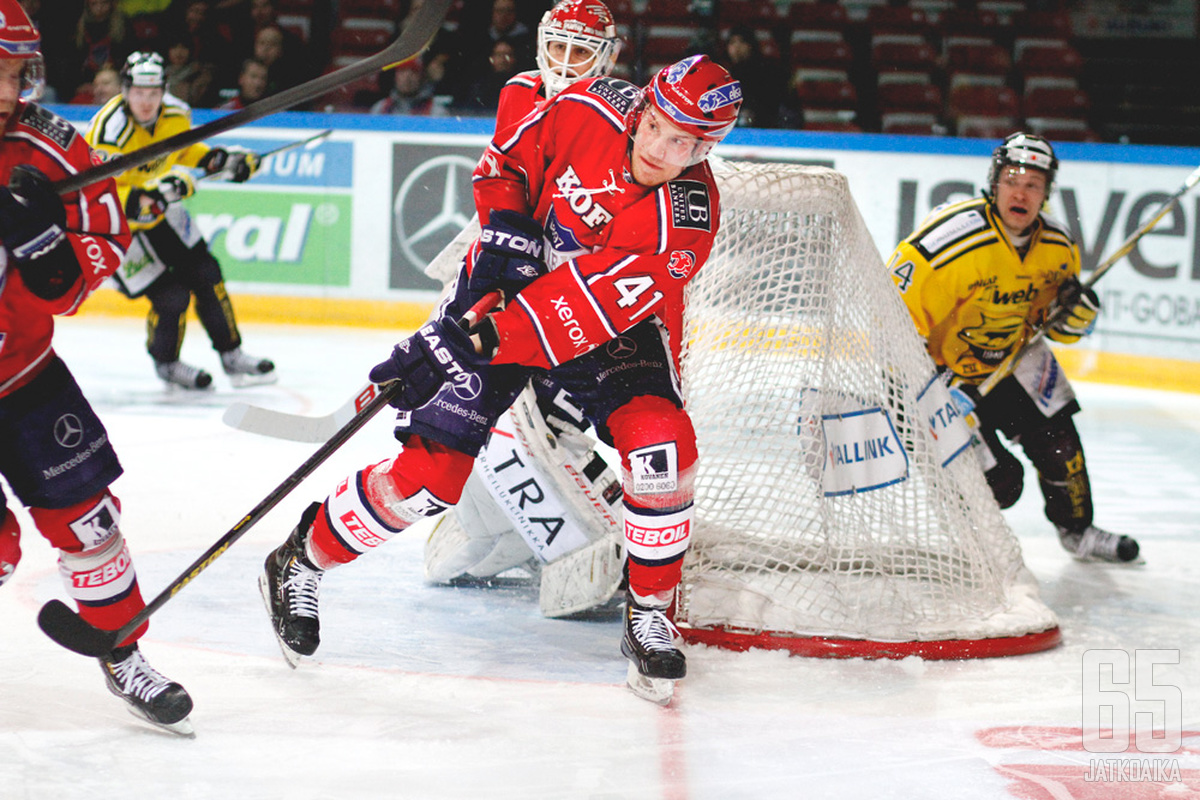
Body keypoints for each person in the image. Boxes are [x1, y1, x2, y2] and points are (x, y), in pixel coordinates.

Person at [260, 54, 742, 703]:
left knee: (661, 444)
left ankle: (649, 610)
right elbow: (507, 165)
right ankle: (301, 558)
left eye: (686, 142)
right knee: (430, 478)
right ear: (644, 108)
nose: (662, 148)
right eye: (658, 125)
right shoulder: (589, 107)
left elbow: (590, 306)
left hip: (608, 328)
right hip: (507, 293)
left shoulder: (686, 215)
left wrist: (472, 336)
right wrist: (499, 258)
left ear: (708, 147)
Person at [0, 0, 193, 734]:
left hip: (25, 375)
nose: (5, 93)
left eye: (14, 74)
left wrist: (51, 251)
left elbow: (95, 255)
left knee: (90, 525)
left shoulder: (51, 148)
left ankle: (122, 652)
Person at [421, 0, 626, 607]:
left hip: (579, 290)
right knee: (469, 393)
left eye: (579, 51)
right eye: (556, 47)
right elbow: (502, 175)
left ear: (607, 55)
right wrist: (505, 244)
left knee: (558, 414)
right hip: (516, 273)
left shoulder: (623, 114)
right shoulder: (519, 91)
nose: (564, 62)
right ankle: (494, 528)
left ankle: (578, 533)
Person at [886, 132, 1140, 563]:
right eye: (1012, 179)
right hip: (937, 370)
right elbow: (889, 321)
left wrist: (1072, 320)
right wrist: (931, 392)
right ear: (994, 182)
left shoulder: (1058, 246)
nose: (1021, 192)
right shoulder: (946, 244)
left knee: (1062, 448)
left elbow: (1049, 324)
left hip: (1011, 359)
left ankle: (1077, 532)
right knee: (1001, 481)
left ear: (1046, 194)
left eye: (1033, 184)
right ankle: (967, 544)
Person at [84, 51, 276, 389]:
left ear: (163, 90)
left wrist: (218, 160)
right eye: (139, 93)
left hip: (159, 211)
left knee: (206, 273)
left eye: (153, 93)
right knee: (171, 297)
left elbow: (181, 150)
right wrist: (153, 193)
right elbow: (98, 191)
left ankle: (232, 355)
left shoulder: (175, 113)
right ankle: (167, 363)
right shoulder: (108, 131)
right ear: (126, 90)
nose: (146, 101)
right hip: (114, 227)